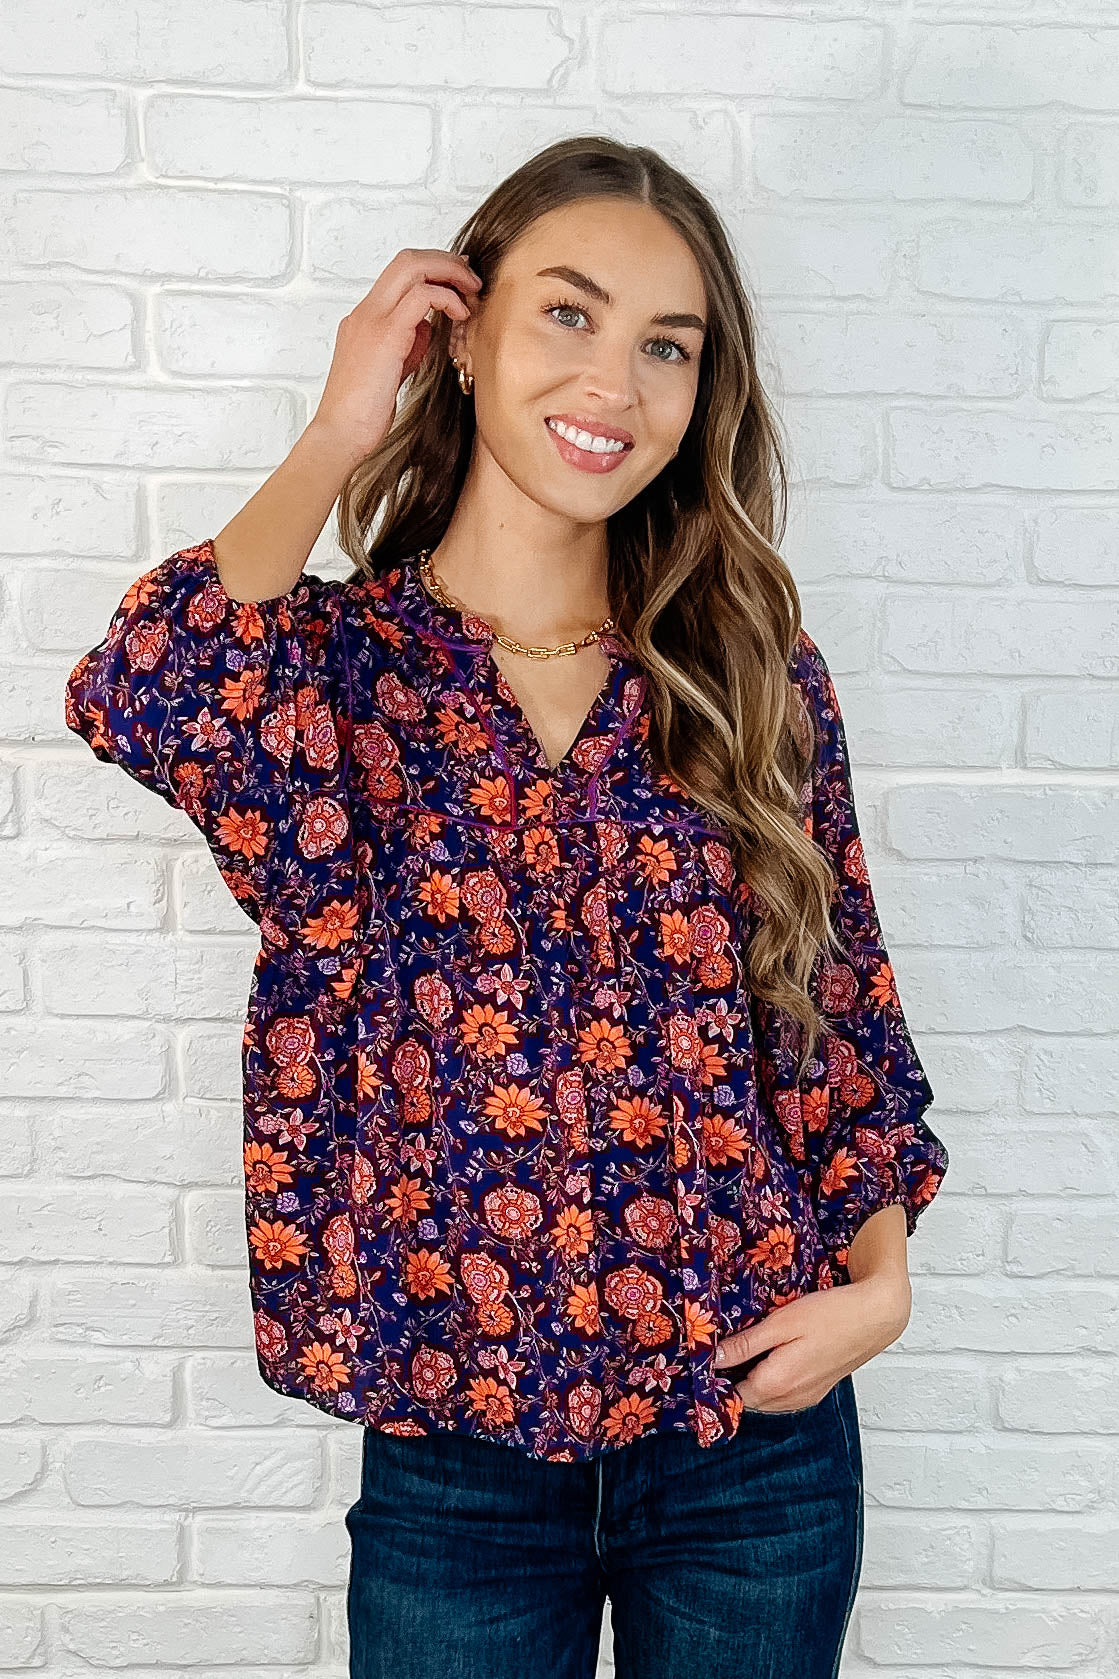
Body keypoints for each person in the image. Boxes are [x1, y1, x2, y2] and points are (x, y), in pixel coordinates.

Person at [63, 136, 950, 1679]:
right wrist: (340, 427)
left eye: (667, 346)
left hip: (751, 1443)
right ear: (461, 334)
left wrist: (882, 1291)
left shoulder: (747, 675)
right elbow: (144, 684)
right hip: (457, 1467)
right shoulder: (332, 678)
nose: (614, 381)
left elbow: (836, 1010)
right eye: (568, 313)